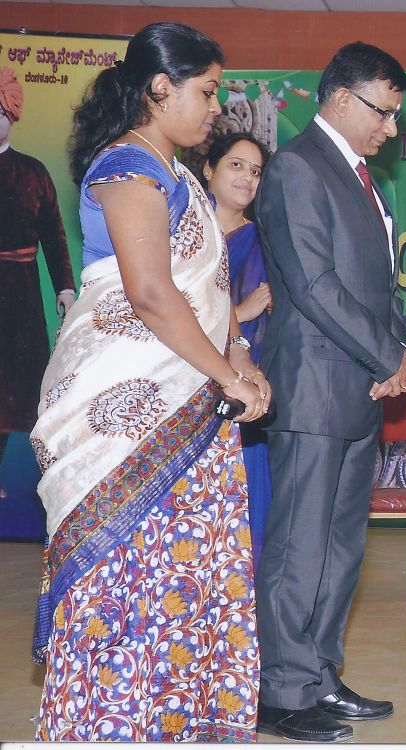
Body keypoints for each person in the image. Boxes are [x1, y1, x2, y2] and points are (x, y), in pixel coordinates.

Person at [29, 22, 270, 741]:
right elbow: (153, 294)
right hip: (123, 419)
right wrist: (229, 376)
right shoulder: (126, 170)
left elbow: (211, 296)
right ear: (159, 90)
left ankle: (178, 719)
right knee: (129, 575)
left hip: (190, 405)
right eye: (207, 92)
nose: (215, 108)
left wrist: (243, 363)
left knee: (185, 579)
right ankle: (113, 724)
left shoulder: (180, 178)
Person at [254, 41, 406, 743]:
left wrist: (398, 351)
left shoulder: (360, 177)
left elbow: (378, 286)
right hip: (315, 388)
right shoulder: (295, 168)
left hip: (362, 389)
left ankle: (318, 671)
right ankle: (281, 692)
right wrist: (386, 353)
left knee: (343, 547)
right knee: (299, 548)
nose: (392, 129)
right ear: (341, 99)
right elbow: (315, 288)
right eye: (384, 112)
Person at [0, 68, 75, 492]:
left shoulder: (33, 171)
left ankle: (19, 480)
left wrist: (64, 286)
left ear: (12, 115)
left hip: (22, 295)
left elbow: (55, 234)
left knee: (22, 388)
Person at [203, 132, 273, 566]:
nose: (247, 177)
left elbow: (265, 313)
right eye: (236, 165)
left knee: (245, 512)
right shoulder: (177, 229)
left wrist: (239, 322)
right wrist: (239, 309)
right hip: (178, 381)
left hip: (237, 388)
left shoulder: (263, 241)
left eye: (256, 171)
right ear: (208, 169)